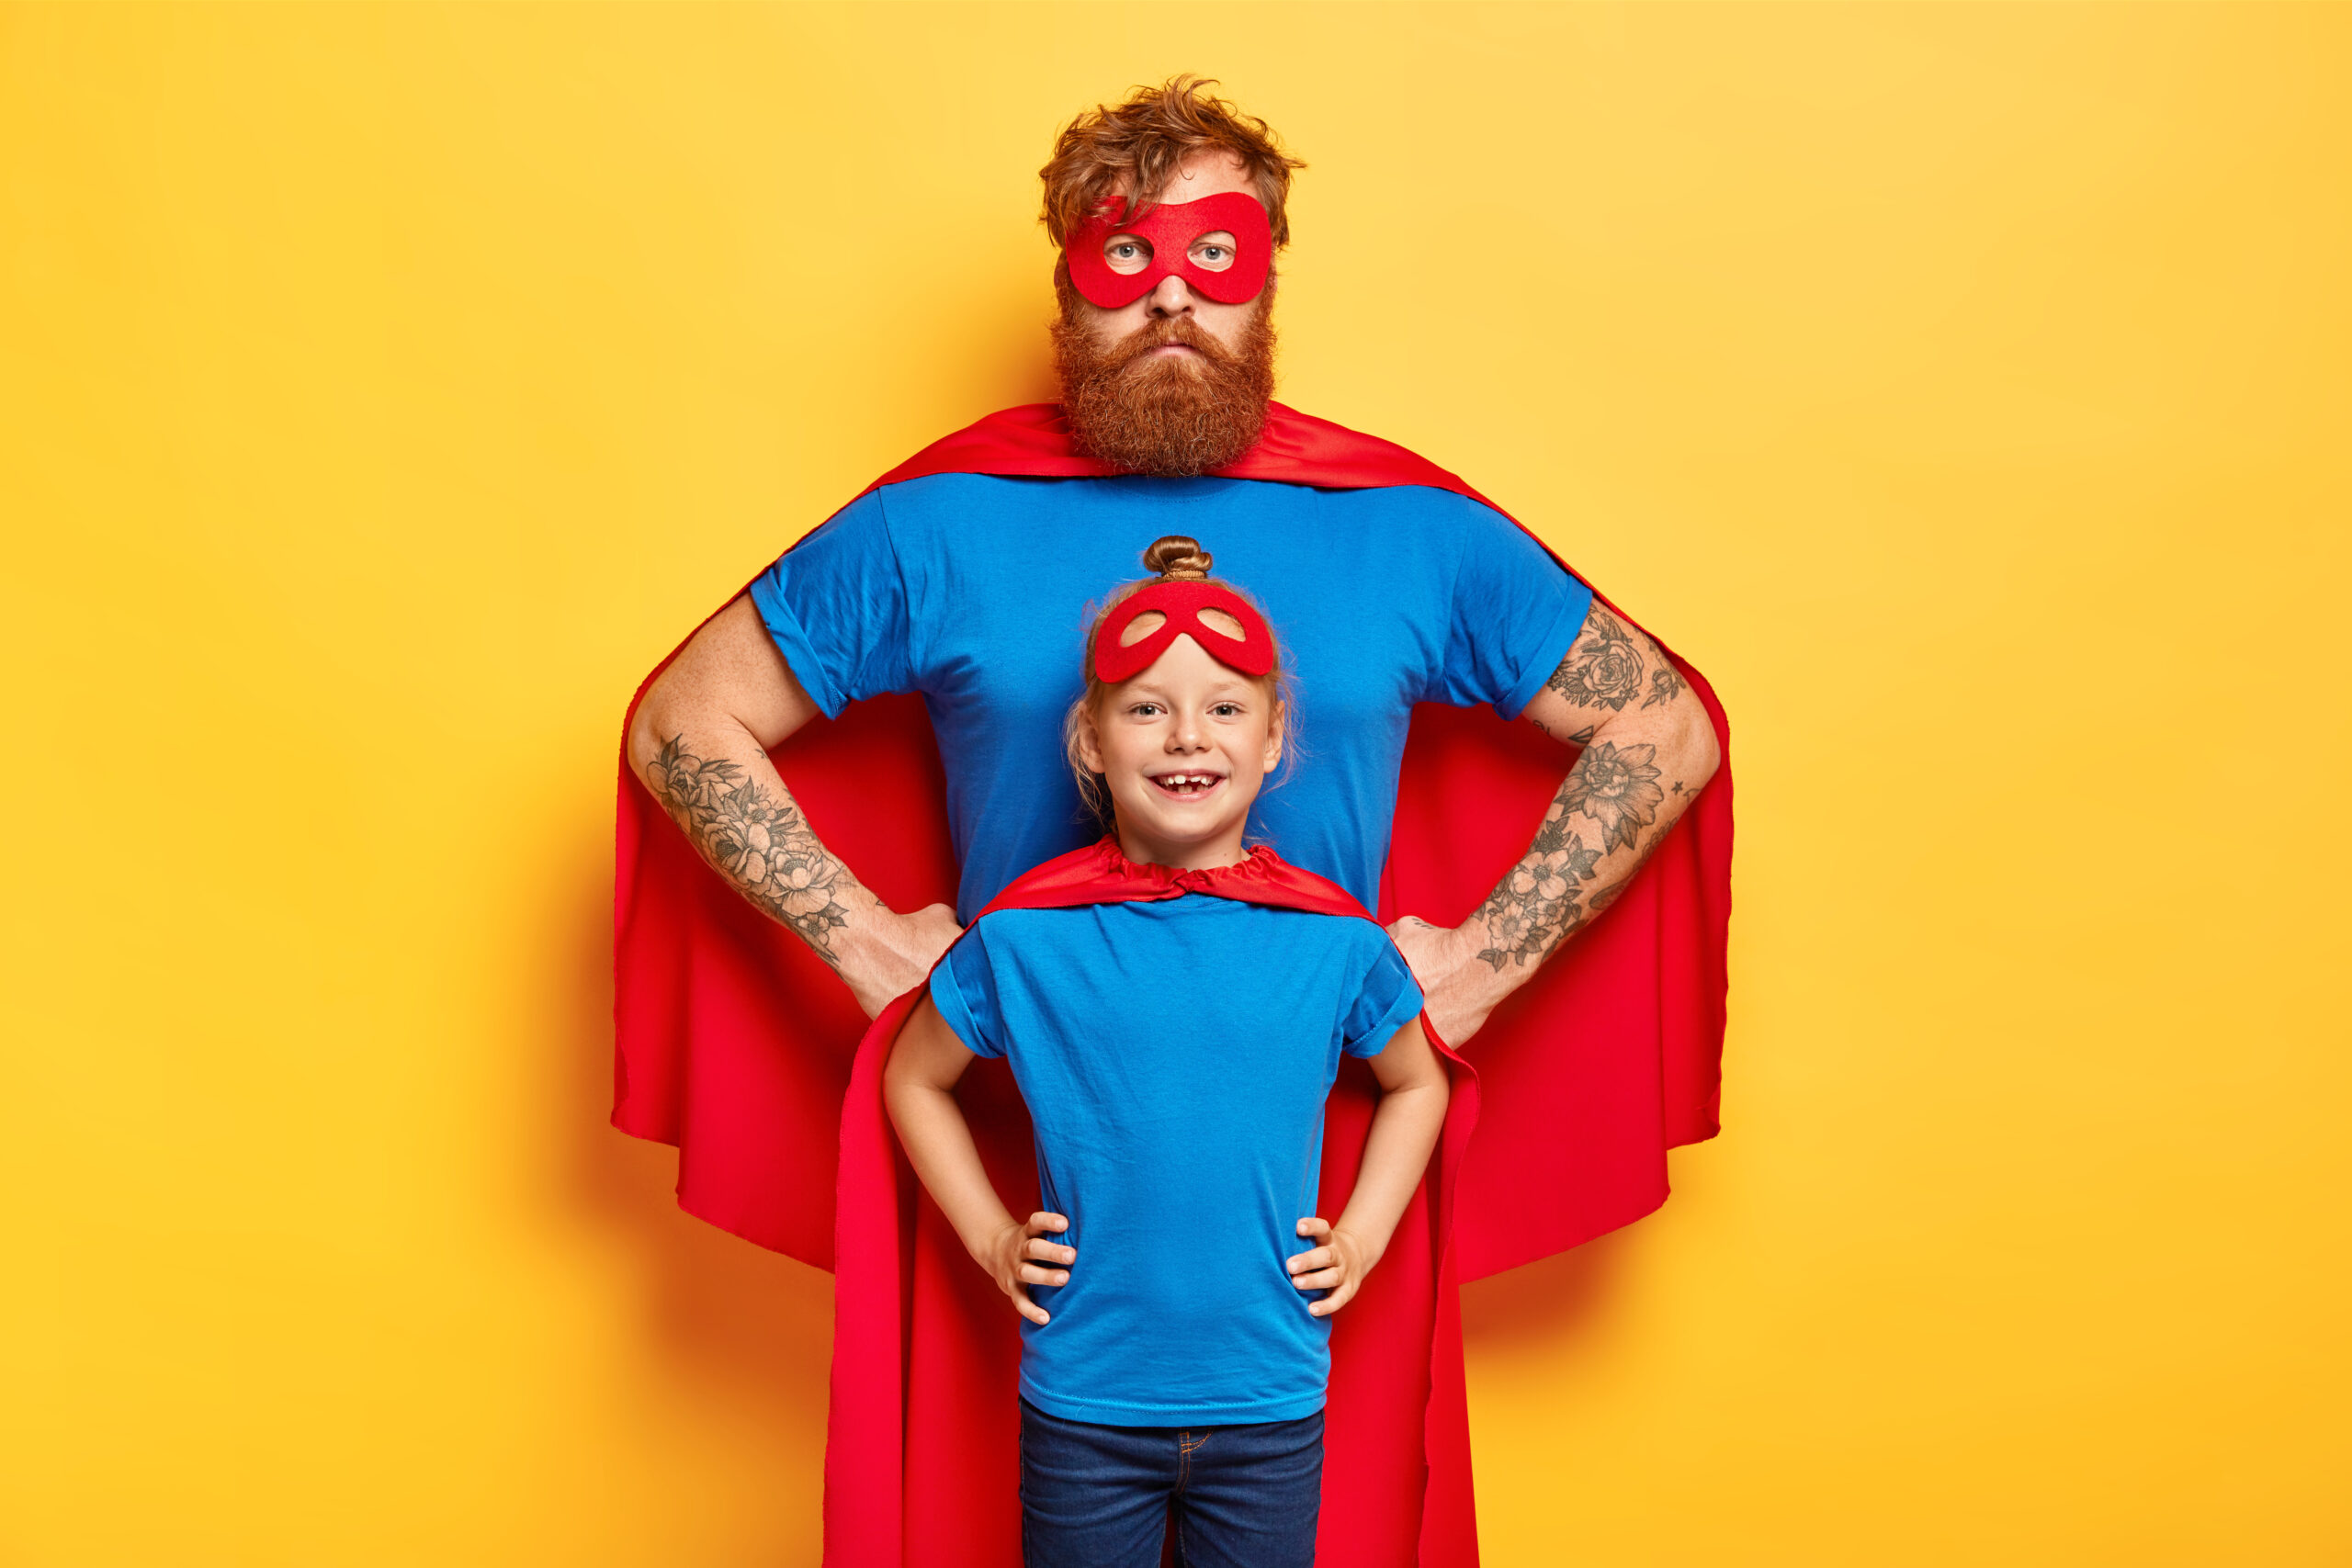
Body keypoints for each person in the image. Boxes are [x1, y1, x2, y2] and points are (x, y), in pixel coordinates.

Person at [612, 75, 1734, 1564]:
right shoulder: (939, 522)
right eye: (1122, 261)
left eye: (1215, 261)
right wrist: (872, 947)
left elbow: (1665, 724)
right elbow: (681, 720)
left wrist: (1476, 964)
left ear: (1269, 277)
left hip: (1305, 1187)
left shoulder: (1404, 526)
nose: (1170, 306)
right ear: (1066, 289)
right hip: (1034, 1172)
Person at [882, 536, 1451, 1568]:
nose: (1187, 735)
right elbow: (914, 1078)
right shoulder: (1022, 938)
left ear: (1275, 737)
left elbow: (1416, 1082)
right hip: (1083, 1402)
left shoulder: (1333, 940)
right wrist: (987, 1238)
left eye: (1226, 708)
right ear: (1090, 739)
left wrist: (1361, 1239)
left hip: (1270, 1400)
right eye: (1145, 707)